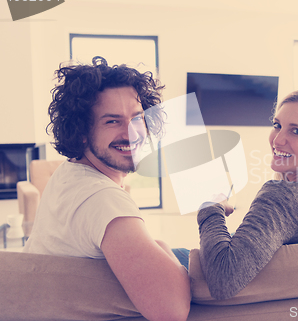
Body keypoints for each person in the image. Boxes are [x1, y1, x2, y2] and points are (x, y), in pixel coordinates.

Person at [23, 56, 191, 321]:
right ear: (82, 132)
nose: (131, 132)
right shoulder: (102, 199)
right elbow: (171, 311)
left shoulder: (69, 172)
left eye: (137, 118)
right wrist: (161, 246)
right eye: (112, 121)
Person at [197, 88, 298, 300]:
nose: (277, 141)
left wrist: (211, 206)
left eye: (296, 131)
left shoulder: (283, 197)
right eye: (277, 126)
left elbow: (223, 278)